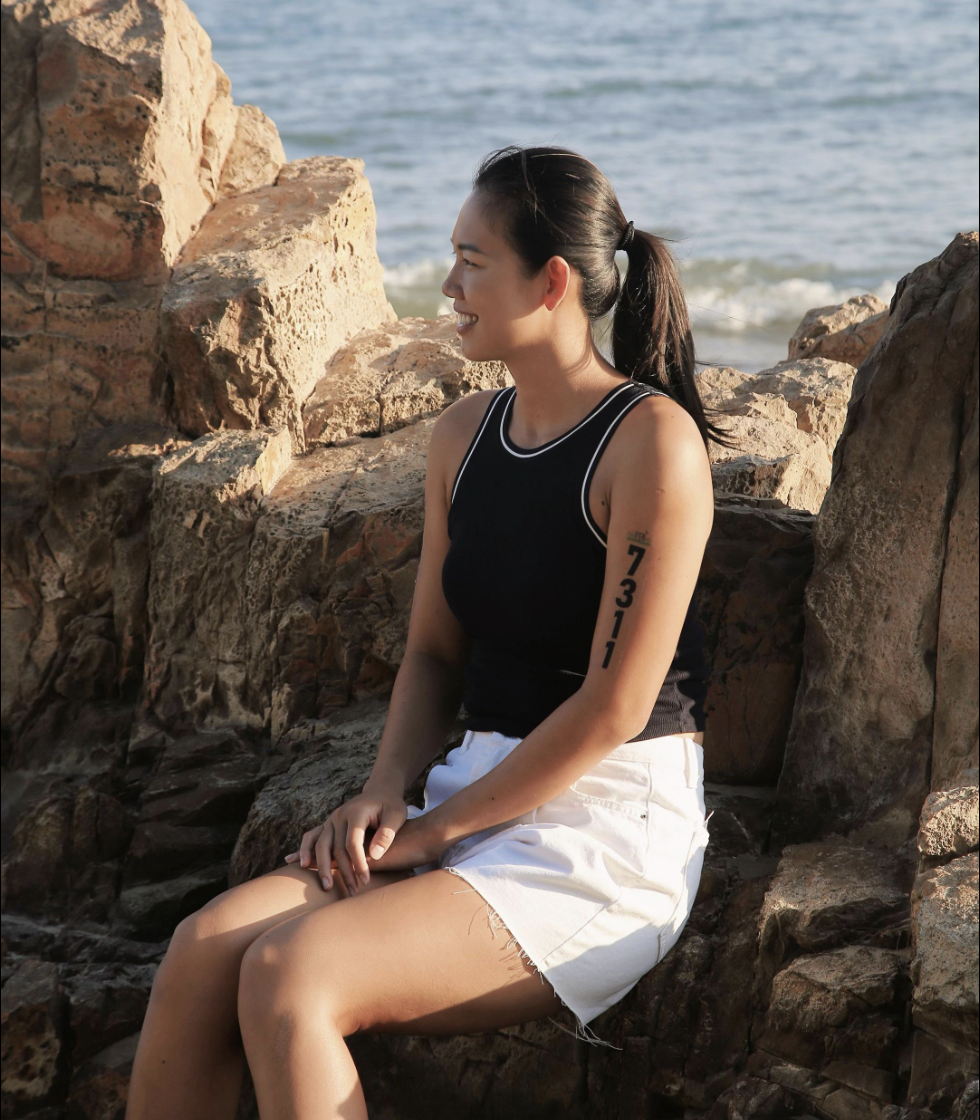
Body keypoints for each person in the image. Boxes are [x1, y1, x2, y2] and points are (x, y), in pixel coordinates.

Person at [125, 144, 722, 1120]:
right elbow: (435, 654)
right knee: (201, 954)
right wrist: (384, 792)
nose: (447, 286)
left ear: (551, 282)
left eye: (471, 261)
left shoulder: (649, 442)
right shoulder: (464, 436)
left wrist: (436, 831)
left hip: (603, 828)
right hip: (470, 787)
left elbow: (615, 709)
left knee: (290, 974)